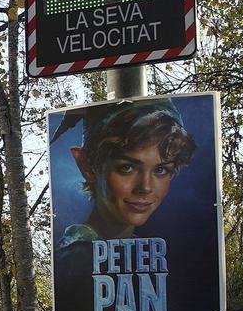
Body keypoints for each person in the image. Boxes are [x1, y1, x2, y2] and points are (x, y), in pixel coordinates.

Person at [55, 98, 196, 249]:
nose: (145, 187)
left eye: (160, 170)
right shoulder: (76, 254)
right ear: (87, 166)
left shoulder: (138, 250)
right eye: (127, 168)